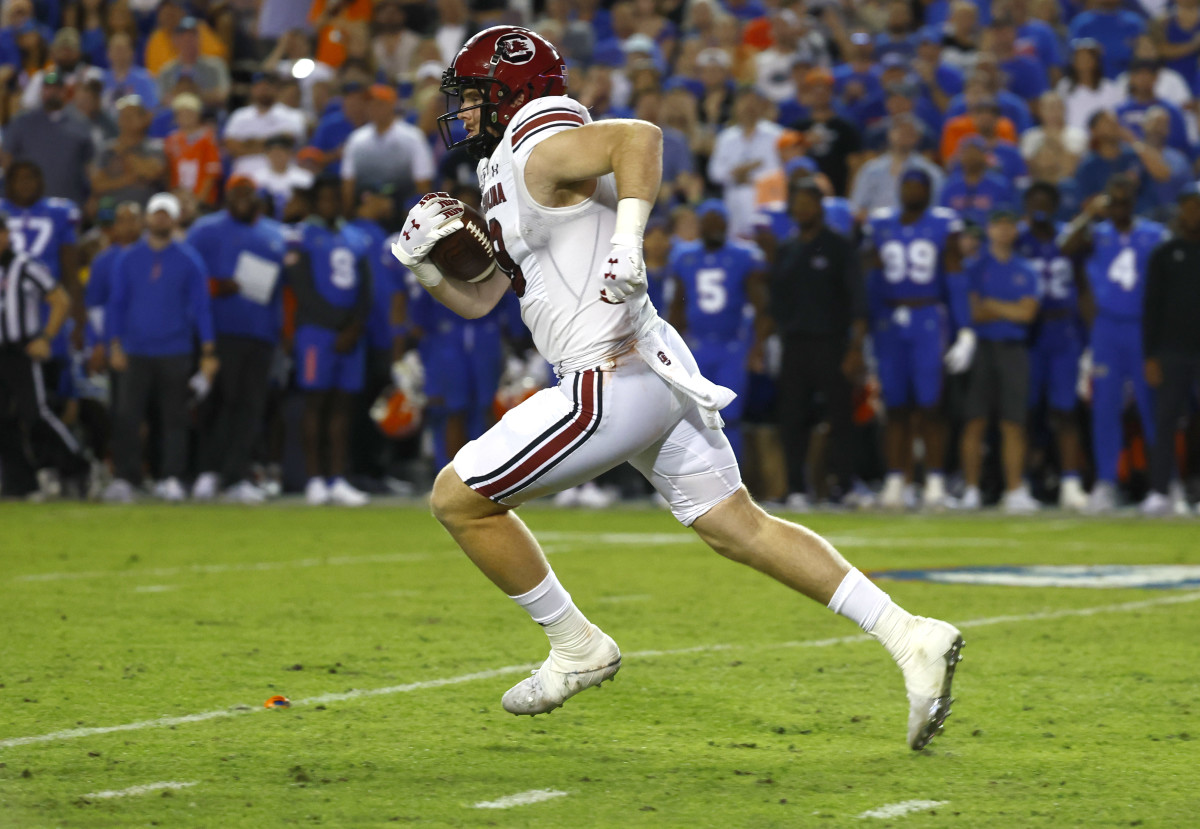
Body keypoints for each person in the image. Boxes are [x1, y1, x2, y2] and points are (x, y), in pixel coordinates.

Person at [392, 26, 964, 751]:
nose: (461, 114)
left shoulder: (538, 138)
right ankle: (910, 634)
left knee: (458, 499)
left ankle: (576, 645)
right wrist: (424, 266)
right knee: (737, 524)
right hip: (650, 365)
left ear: (510, 95)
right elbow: (482, 302)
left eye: (472, 97)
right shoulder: (503, 169)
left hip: (611, 376)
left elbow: (640, 138)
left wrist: (629, 241)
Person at [864, 169, 972, 510]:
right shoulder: (881, 224)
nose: (912, 190)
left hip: (928, 315)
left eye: (919, 186)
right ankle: (896, 480)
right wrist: (867, 326)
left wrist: (964, 329)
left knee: (930, 404)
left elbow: (954, 275)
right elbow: (870, 278)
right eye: (907, 185)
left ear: (928, 191)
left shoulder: (943, 225)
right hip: (890, 319)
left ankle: (935, 481)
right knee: (894, 405)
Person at [1060, 175, 1168, 513]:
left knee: (1153, 408)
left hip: (1143, 326)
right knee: (1105, 407)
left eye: (1124, 201)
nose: (1119, 208)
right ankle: (1106, 481)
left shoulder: (1153, 234)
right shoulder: (1097, 233)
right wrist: (1089, 214)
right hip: (1107, 327)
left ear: (1133, 202)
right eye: (1113, 201)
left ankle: (1163, 485)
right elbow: (1065, 247)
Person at [104, 193, 217, 503]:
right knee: (128, 416)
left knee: (174, 418)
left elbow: (201, 307)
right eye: (157, 214)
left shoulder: (189, 259)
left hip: (175, 349)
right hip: (136, 348)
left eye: (167, 214)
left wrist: (208, 349)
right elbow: (117, 304)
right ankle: (127, 477)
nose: (161, 220)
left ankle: (171, 477)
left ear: (176, 218)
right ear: (148, 218)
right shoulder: (128, 258)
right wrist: (114, 344)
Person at [186, 176, 288, 503]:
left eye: (248, 193)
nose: (242, 198)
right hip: (219, 332)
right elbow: (187, 279)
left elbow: (285, 291)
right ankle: (207, 471)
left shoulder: (277, 234)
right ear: (226, 196)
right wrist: (217, 288)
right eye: (236, 193)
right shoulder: (204, 229)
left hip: (260, 333)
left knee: (251, 406)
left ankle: (236, 475)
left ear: (257, 197)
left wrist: (283, 332)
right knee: (216, 404)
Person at [768, 177, 864, 508]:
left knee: (840, 417)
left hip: (831, 343)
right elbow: (775, 302)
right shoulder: (787, 249)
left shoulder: (839, 246)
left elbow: (857, 301)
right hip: (794, 344)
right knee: (792, 418)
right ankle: (796, 487)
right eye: (798, 203)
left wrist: (856, 347)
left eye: (809, 202)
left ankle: (844, 485)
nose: (803, 208)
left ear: (820, 207)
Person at [286, 178, 373, 507]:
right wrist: (338, 325)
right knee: (315, 404)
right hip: (316, 332)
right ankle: (314, 478)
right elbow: (302, 289)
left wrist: (354, 326)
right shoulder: (302, 235)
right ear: (313, 203)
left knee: (342, 406)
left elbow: (366, 290)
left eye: (334, 198)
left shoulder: (356, 237)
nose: (329, 204)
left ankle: (337, 478)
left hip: (350, 335)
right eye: (323, 198)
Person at [665, 199, 765, 462]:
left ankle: (732, 481)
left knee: (728, 416)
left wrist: (757, 347)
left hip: (731, 346)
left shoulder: (744, 256)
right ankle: (690, 478)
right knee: (688, 417)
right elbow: (677, 308)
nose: (713, 227)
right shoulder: (684, 257)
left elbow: (761, 307)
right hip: (695, 346)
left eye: (718, 222)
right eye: (708, 222)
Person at [957, 210, 1042, 513]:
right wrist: (1010, 309)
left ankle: (1015, 489)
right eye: (998, 225)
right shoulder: (976, 267)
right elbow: (975, 312)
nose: (1003, 231)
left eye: (1009, 224)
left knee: (1013, 422)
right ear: (990, 229)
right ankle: (970, 489)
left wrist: (993, 305)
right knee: (975, 420)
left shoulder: (1026, 268)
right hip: (983, 347)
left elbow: (1028, 313)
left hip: (1014, 348)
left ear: (1015, 230)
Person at [0, 211, 88, 498]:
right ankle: (20, 483)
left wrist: (46, 337)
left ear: (5, 235)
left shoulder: (25, 266)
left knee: (35, 414)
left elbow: (60, 299)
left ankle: (77, 467)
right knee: (3, 420)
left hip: (21, 350)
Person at [1016, 183, 1088, 511]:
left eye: (1046, 200)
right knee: (1027, 412)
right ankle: (1025, 481)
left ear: (1057, 204)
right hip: (1029, 331)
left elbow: (1078, 252)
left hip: (1063, 329)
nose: (1040, 206)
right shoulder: (1019, 239)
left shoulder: (1069, 237)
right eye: (1034, 200)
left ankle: (1071, 481)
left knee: (1064, 410)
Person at [1140, 186, 1200, 516]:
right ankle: (1160, 490)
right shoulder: (1164, 254)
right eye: (1188, 206)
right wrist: (1150, 355)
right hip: (1171, 351)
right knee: (1164, 422)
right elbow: (1152, 309)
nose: (1193, 213)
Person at [1, 69, 94, 206]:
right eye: (47, 88)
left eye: (56, 88)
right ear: (41, 91)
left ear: (64, 92)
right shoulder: (22, 122)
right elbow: (6, 160)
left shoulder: (81, 124)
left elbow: (89, 166)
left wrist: (93, 198)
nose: (51, 93)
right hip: (27, 205)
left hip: (69, 203)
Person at [340, 84, 435, 217]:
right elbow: (348, 185)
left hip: (403, 209)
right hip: (366, 205)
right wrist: (350, 215)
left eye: (379, 104)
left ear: (392, 105)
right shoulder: (356, 140)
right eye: (370, 104)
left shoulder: (412, 137)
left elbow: (423, 185)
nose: (374, 109)